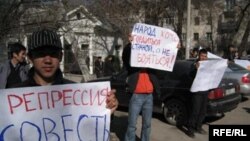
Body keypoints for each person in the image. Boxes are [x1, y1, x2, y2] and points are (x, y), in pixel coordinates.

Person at [11, 28, 118, 113]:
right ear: (30, 58)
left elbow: (91, 125)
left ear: (61, 56)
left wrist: (106, 108)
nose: (48, 60)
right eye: (41, 54)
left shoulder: (78, 94)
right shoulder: (14, 98)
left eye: (53, 54)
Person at [122, 42, 161, 141]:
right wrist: (129, 45)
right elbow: (125, 56)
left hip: (149, 97)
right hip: (136, 96)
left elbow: (166, 60)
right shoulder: (133, 65)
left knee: (147, 125)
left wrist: (174, 48)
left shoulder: (152, 64)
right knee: (132, 124)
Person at [186, 48, 209, 138]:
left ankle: (198, 127)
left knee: (203, 111)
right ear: (199, 56)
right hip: (197, 92)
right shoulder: (194, 64)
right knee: (195, 111)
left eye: (205, 56)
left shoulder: (208, 65)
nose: (204, 58)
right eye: (202, 56)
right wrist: (196, 69)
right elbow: (190, 75)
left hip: (205, 90)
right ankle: (190, 129)